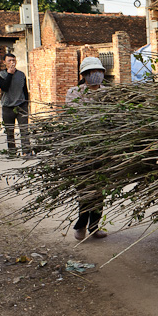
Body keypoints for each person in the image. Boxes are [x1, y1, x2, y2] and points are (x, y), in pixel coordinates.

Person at [66, 56, 108, 240]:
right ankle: (81, 224)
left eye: (98, 72)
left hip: (103, 149)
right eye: (92, 72)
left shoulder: (109, 93)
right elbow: (77, 116)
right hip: (82, 149)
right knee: (85, 190)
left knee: (100, 190)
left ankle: (94, 226)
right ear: (84, 75)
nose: (96, 75)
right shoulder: (74, 93)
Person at [0, 53, 31, 156]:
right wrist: (10, 74)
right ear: (4, 62)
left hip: (21, 106)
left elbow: (25, 90)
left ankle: (26, 151)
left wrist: (27, 103)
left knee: (24, 130)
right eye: (9, 61)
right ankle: (12, 152)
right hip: (8, 107)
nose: (12, 63)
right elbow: (4, 88)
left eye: (13, 60)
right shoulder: (1, 75)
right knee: (10, 132)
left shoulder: (21, 75)